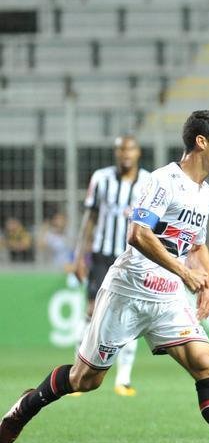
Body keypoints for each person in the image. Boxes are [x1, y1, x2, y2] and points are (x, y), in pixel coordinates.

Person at [2, 110, 209, 443]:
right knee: (85, 380)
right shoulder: (164, 180)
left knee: (207, 365)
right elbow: (138, 234)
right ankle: (25, 408)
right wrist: (185, 272)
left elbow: (195, 244)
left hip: (168, 298)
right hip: (128, 291)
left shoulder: (205, 193)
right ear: (202, 142)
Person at [73, 135, 153, 396]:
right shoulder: (101, 178)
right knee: (92, 311)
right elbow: (90, 217)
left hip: (132, 256)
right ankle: (76, 374)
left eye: (130, 149)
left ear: (138, 152)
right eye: (121, 150)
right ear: (116, 153)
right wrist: (79, 256)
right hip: (102, 255)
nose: (125, 154)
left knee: (130, 314)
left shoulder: (149, 182)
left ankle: (123, 380)